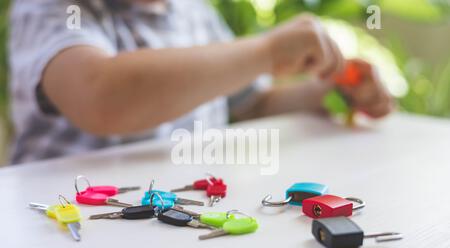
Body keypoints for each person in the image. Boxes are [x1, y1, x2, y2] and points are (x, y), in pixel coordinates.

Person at [9, 0, 394, 164]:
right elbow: (100, 96)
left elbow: (246, 105)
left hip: (181, 217)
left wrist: (323, 94)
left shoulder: (195, 11)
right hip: (71, 224)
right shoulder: (54, 8)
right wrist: (266, 52)